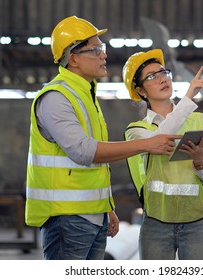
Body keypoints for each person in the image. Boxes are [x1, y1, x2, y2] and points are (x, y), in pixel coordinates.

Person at [25, 16, 180, 260]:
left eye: (102, 48)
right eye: (96, 50)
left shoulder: (85, 95)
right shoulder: (56, 98)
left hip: (91, 216)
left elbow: (97, 166)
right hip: (67, 219)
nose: (104, 55)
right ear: (73, 58)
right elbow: (84, 152)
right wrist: (147, 144)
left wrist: (106, 208)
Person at [123, 49, 203, 260]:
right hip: (156, 223)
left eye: (163, 72)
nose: (162, 79)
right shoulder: (137, 130)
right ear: (141, 91)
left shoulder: (200, 121)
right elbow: (159, 139)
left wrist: (200, 163)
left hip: (197, 222)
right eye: (152, 76)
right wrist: (188, 98)